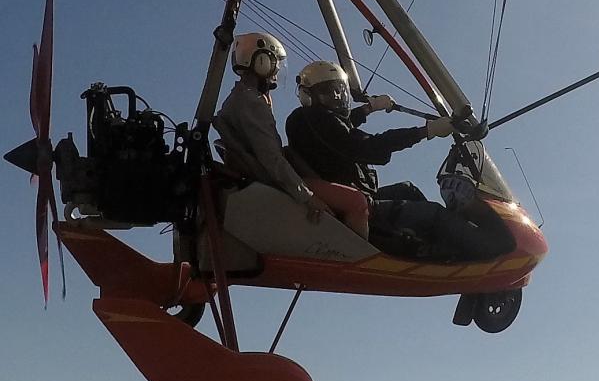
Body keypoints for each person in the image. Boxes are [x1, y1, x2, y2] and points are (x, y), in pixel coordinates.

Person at [286, 61, 512, 261]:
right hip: (356, 208)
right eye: (328, 92)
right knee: (434, 214)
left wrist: (369, 108)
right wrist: (426, 131)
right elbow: (363, 145)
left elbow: (339, 128)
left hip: (358, 196)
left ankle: (433, 241)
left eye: (339, 92)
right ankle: (488, 252)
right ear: (309, 97)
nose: (336, 98)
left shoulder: (309, 120)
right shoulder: (313, 118)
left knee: (408, 189)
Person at [212, 31, 325, 224]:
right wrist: (307, 196)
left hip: (262, 181)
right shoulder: (251, 102)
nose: (276, 72)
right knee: (356, 202)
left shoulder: (239, 99)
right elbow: (271, 158)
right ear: (261, 61)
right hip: (272, 186)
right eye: (274, 64)